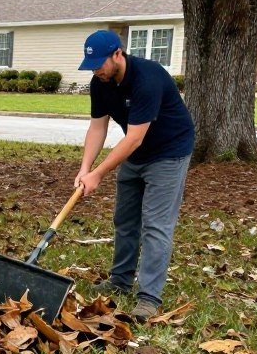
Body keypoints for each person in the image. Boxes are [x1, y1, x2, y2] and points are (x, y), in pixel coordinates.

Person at [74, 29, 195, 321]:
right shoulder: (99, 82)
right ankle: (120, 280)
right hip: (135, 154)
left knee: (155, 224)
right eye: (91, 66)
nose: (96, 71)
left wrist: (99, 173)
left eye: (100, 64)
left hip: (169, 151)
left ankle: (149, 297)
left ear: (118, 54)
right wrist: (85, 168)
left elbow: (134, 138)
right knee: (125, 218)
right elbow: (97, 127)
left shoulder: (147, 78)